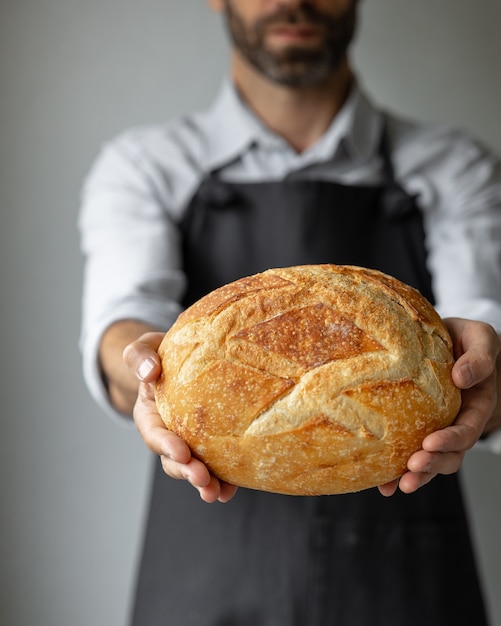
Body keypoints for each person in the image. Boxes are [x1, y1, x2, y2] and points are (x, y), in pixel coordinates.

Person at [79, 1, 501, 624]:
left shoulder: (452, 166)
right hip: (206, 571)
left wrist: (486, 368)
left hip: (404, 570)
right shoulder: (148, 165)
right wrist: (141, 366)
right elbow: (125, 318)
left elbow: (481, 326)